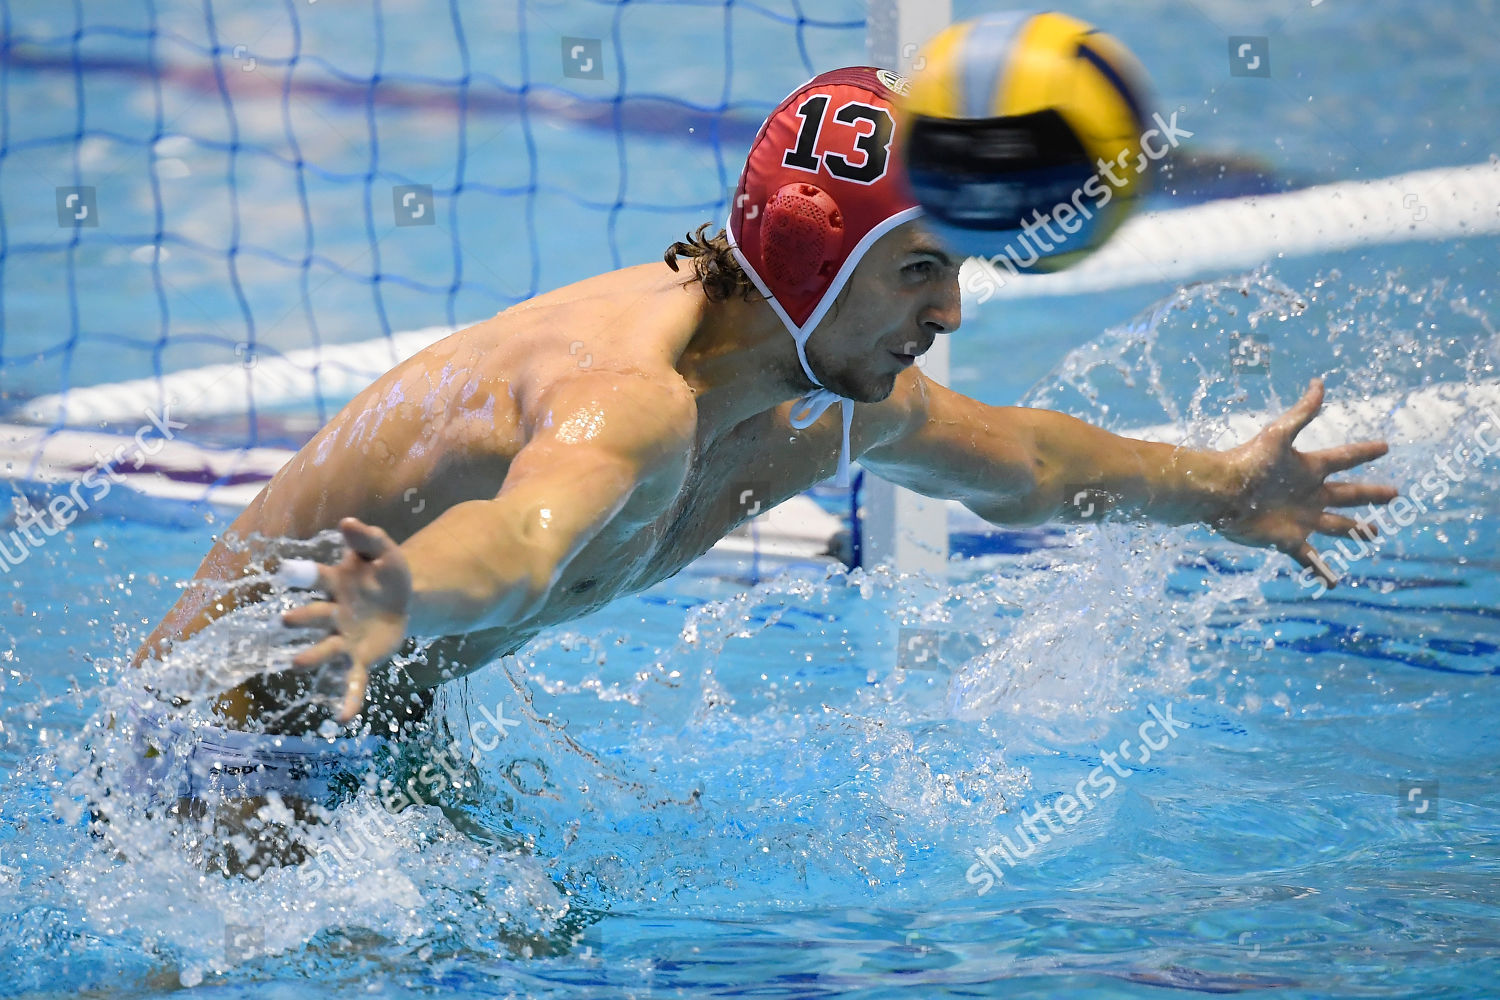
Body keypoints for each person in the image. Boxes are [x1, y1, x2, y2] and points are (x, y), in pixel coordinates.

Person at [133, 66, 1394, 806]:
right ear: (811, 252)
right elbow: (518, 543)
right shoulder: (626, 396)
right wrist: (400, 595)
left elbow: (1034, 464)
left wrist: (1226, 488)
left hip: (368, 724)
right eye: (916, 274)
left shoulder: (823, 402)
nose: (948, 314)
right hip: (215, 733)